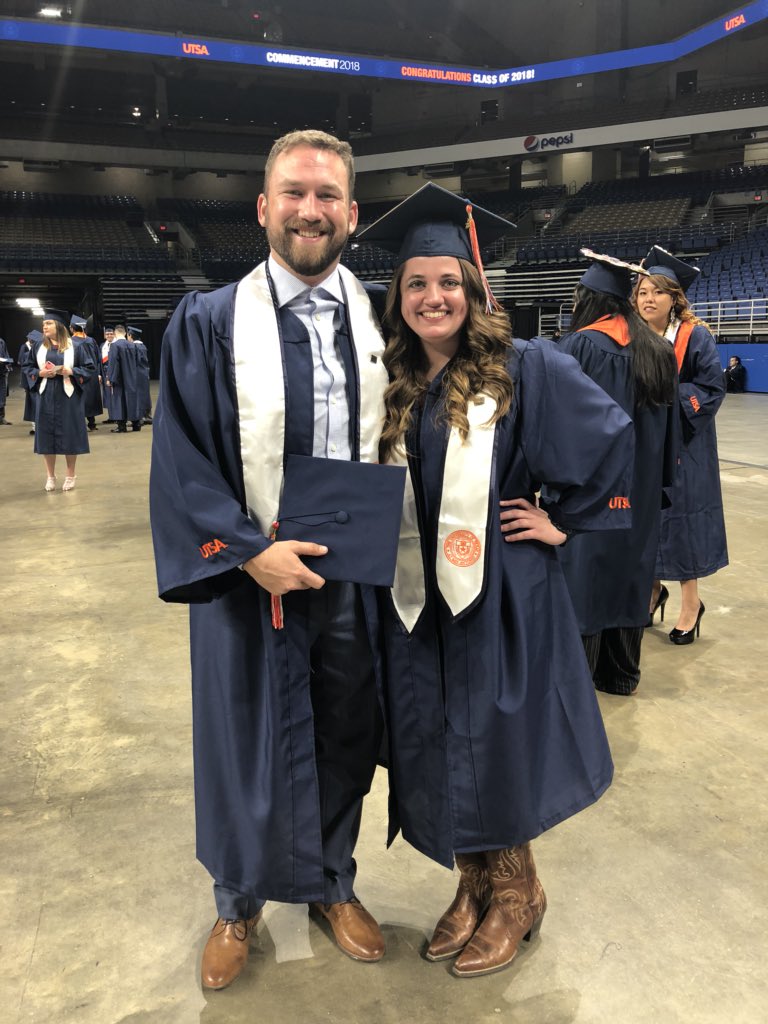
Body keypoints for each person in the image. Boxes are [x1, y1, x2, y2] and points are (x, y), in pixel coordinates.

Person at [357, 183, 634, 978]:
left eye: (448, 281)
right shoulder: (393, 382)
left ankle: (518, 891)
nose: (433, 297)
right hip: (417, 596)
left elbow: (611, 438)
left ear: (472, 288)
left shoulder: (524, 367)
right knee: (442, 735)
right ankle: (474, 882)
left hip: (501, 591)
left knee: (497, 738)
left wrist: (564, 520)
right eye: (416, 283)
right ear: (398, 295)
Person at [149, 130, 392, 992]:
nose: (309, 210)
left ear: (351, 213)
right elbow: (182, 458)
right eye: (294, 192)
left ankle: (331, 882)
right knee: (242, 737)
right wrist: (250, 554)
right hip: (246, 578)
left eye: (327, 196)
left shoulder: (382, 320)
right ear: (263, 207)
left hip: (349, 574)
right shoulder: (210, 321)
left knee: (343, 729)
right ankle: (237, 901)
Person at [550, 250, 678, 695]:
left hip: (588, 491)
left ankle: (579, 680)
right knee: (629, 574)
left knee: (585, 575)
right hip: (640, 492)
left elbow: (559, 430)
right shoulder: (660, 350)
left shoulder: (579, 347)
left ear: (588, 300)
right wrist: (655, 484)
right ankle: (621, 674)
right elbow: (670, 434)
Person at [634, 246, 728, 645]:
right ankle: (653, 590)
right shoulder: (632, 336)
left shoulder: (694, 335)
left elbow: (711, 388)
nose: (648, 299)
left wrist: (665, 393)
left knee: (682, 520)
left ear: (674, 298)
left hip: (685, 445)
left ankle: (691, 603)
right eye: (642, 292)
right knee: (646, 520)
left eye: (658, 291)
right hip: (644, 444)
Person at [23, 309, 95, 491]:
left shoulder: (76, 346)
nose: (44, 327)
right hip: (45, 395)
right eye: (43, 324)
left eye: (48, 323)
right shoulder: (38, 346)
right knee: (46, 437)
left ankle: (70, 475)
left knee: (70, 436)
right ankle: (50, 476)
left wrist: (71, 371)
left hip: (68, 396)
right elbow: (27, 366)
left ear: (59, 326)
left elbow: (89, 368)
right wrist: (40, 373)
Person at [106, 324, 142, 432]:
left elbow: (113, 363)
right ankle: (136, 424)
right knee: (132, 399)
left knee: (119, 400)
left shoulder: (114, 346)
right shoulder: (133, 345)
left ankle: (122, 426)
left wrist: (110, 378)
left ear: (115, 333)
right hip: (132, 376)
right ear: (125, 333)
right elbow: (138, 361)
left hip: (119, 378)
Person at [70, 315, 103, 431]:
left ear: (72, 329)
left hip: (78, 373)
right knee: (91, 397)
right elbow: (98, 357)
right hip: (92, 373)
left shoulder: (70, 342)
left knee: (80, 398)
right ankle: (92, 423)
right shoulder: (91, 340)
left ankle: (80, 424)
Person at [126, 325, 152, 424]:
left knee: (138, 395)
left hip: (137, 373)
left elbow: (134, 361)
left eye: (128, 335)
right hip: (144, 373)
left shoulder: (135, 347)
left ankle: (140, 417)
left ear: (130, 335)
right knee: (145, 394)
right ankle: (147, 415)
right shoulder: (142, 346)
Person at [18, 330, 41, 434]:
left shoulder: (31, 352)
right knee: (34, 404)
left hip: (35, 381)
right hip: (32, 381)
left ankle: (37, 427)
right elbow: (22, 364)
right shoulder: (26, 349)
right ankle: (36, 427)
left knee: (35, 404)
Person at [0, 336, 13, 424]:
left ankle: (1, 418)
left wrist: (8, 364)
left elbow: (6, 354)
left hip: (1, 372)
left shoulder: (1, 341)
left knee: (2, 396)